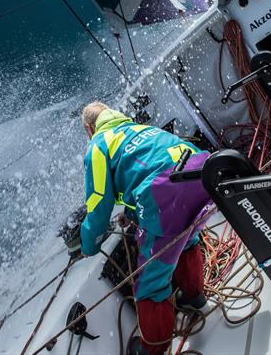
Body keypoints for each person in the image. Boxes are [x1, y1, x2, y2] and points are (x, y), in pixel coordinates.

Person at [79, 102, 212, 355]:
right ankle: (194, 297)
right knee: (187, 240)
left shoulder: (98, 145)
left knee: (151, 279)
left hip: (166, 198)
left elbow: (98, 204)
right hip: (202, 176)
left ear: (89, 128)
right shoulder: (138, 129)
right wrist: (132, 213)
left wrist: (90, 245)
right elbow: (146, 169)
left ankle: (154, 349)